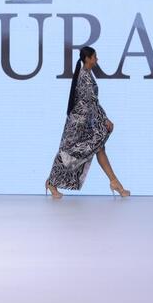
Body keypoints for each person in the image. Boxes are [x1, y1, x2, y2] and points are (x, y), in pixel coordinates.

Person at [46, 46, 129, 198]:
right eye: (94, 57)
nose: (97, 59)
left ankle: (115, 182)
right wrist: (105, 119)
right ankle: (51, 182)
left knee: (99, 148)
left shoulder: (87, 74)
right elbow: (92, 103)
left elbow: (92, 103)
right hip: (79, 125)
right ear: (87, 58)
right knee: (68, 153)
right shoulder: (84, 76)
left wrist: (103, 119)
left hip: (85, 123)